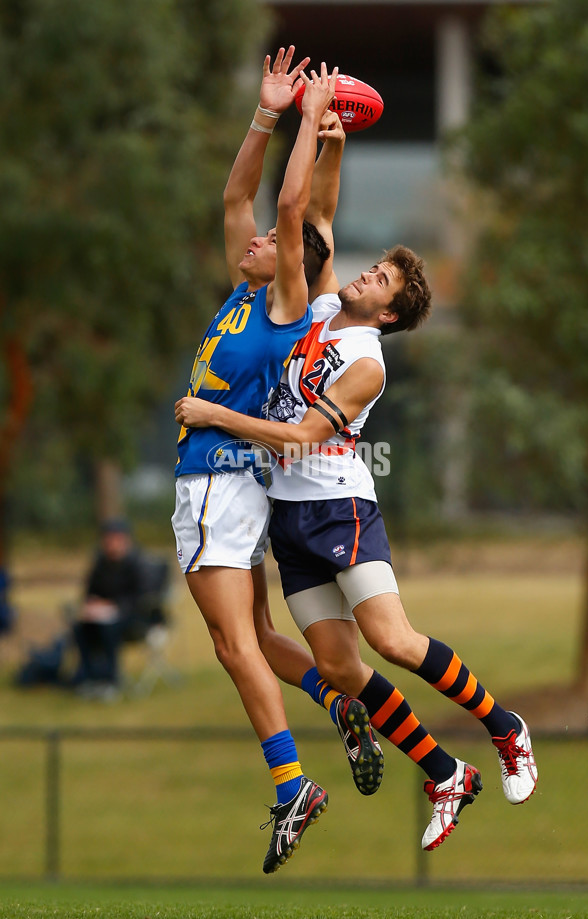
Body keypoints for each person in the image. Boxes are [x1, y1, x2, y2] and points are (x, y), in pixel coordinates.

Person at [174, 112, 539, 853]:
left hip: (340, 506)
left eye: (383, 279)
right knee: (339, 668)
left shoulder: (365, 359)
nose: (367, 275)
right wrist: (334, 140)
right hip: (290, 520)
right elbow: (317, 213)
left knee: (393, 640)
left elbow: (304, 436)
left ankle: (505, 727)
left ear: (392, 310)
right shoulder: (319, 305)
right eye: (372, 268)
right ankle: (444, 774)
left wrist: (216, 413)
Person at [171, 47, 338, 874]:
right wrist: (267, 114)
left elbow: (289, 199)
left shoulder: (284, 301)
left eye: (276, 241)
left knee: (234, 644)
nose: (260, 235)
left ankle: (290, 782)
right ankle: (336, 697)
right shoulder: (246, 291)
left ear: (294, 263)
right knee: (258, 634)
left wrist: (310, 121)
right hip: (235, 486)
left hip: (215, 481)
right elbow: (240, 195)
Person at [71, 518, 145, 700]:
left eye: (116, 538)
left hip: (131, 617)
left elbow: (140, 598)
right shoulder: (100, 563)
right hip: (101, 616)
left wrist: (114, 607)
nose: (111, 543)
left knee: (108, 629)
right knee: (80, 628)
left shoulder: (137, 563)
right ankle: (89, 677)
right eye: (108, 539)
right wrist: (91, 605)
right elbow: (89, 591)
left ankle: (111, 679)